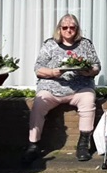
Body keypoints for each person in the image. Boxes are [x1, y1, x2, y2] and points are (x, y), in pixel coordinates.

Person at [23, 14, 101, 163]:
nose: (69, 30)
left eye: (72, 27)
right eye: (65, 27)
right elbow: (38, 69)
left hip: (79, 87)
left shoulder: (85, 44)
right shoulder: (50, 44)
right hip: (52, 88)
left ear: (77, 29)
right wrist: (53, 72)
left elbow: (96, 66)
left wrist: (87, 71)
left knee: (88, 99)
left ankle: (84, 143)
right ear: (59, 29)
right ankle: (33, 145)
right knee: (39, 103)